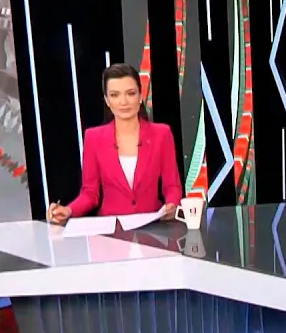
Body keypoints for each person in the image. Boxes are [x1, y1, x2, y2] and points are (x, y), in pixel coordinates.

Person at [46, 64, 183, 224]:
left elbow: (172, 186)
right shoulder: (93, 137)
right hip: (110, 229)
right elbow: (90, 193)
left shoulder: (162, 134)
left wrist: (171, 205)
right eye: (115, 95)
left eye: (130, 93)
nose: (124, 102)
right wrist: (68, 210)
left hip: (152, 226)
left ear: (140, 96)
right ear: (107, 100)